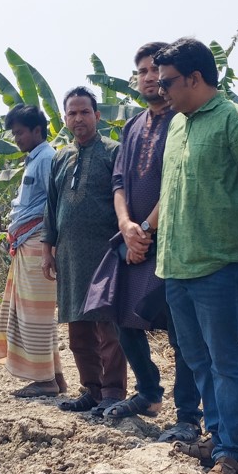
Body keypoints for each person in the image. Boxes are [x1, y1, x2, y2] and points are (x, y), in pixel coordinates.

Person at [152, 38, 238, 474]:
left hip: (220, 265)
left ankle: (231, 456)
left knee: (227, 362)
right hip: (176, 265)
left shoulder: (237, 122)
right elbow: (171, 192)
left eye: (168, 83)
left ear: (195, 78)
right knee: (197, 360)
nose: (161, 91)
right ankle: (219, 438)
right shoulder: (176, 126)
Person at [93, 41, 204, 444]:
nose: (149, 77)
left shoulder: (184, 119)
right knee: (118, 310)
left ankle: (189, 415)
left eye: (155, 71)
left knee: (181, 330)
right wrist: (127, 226)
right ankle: (149, 392)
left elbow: (178, 181)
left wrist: (147, 229)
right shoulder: (133, 125)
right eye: (141, 71)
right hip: (133, 236)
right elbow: (120, 180)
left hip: (172, 240)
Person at [42, 86, 127, 417]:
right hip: (68, 255)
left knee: (108, 326)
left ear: (97, 115)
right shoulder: (61, 157)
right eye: (72, 113)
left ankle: (114, 391)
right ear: (65, 119)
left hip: (105, 252)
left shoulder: (113, 152)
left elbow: (126, 201)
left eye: (84, 112)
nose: (78, 118)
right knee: (77, 326)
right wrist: (48, 249)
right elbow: (52, 206)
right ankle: (90, 389)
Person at [0, 103, 68, 397]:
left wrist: (49, 245)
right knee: (32, 313)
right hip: (28, 241)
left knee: (35, 314)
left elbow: (53, 205)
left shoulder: (46, 158)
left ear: (37, 131)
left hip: (38, 242)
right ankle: (55, 377)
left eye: (20, 133)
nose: (16, 139)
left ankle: (44, 380)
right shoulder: (35, 159)